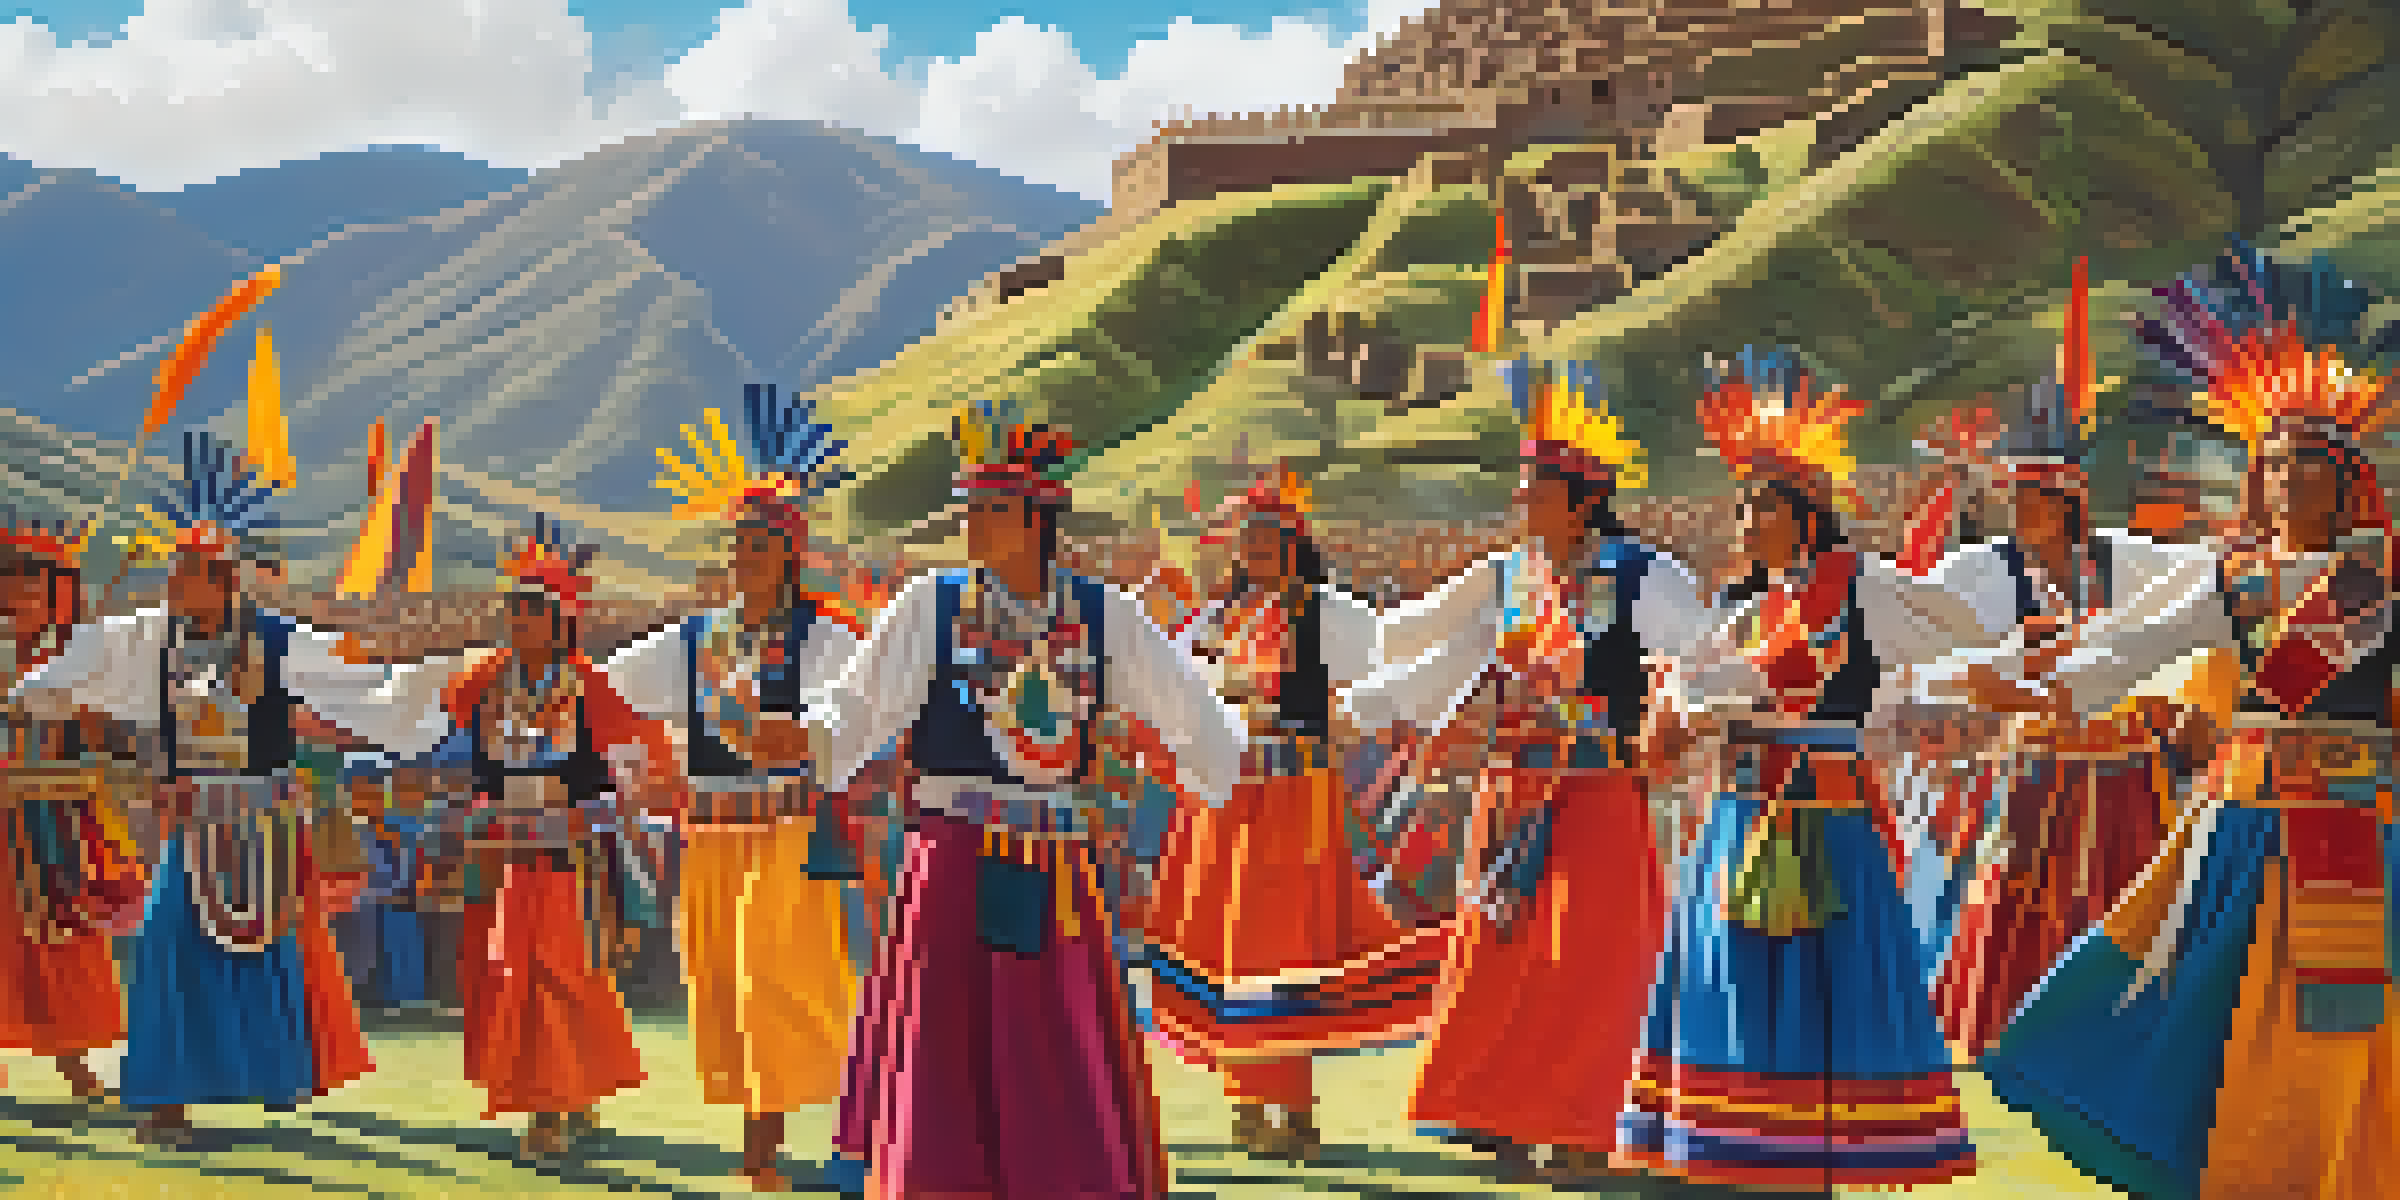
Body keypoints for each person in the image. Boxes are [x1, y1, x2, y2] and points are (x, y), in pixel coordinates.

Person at [1982, 240, 2399, 1199]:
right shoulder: (2234, 583)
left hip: (2355, 826)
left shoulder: (2379, 587)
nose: (2289, 485)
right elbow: (2135, 645)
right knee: (2206, 1001)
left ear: (2348, 483)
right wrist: (2043, 693)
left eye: (2309, 468)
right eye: (2275, 468)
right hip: (2243, 826)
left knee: (2345, 1017)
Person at [816, 400, 1245, 1199]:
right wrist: (805, 739)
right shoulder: (930, 606)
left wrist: (1228, 765)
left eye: (990, 509)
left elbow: (1186, 707)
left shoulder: (1102, 616)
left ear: (1037, 517)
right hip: (950, 855)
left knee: (1051, 1037)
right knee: (945, 1041)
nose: (971, 524)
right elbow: (858, 708)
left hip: (1054, 862)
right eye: (967, 508)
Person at [10, 435, 448, 1148]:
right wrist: (34, 692)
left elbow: (347, 680)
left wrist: (425, 687)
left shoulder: (275, 640)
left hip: (260, 827)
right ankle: (164, 1102)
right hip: (189, 827)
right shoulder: (155, 637)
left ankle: (263, 1073)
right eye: (173, 572)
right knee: (164, 942)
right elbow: (88, 654)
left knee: (263, 951)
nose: (172, 585)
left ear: (221, 581)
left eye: (185, 574)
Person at [1338, 361, 1716, 1183]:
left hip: (1598, 788)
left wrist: (1672, 721)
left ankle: (1590, 1125)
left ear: (1580, 501)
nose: (1519, 502)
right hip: (1511, 791)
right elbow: (1420, 639)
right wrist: (1343, 669)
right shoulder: (1507, 575)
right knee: (1504, 952)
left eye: (1535, 490)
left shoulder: (1641, 574)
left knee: (1594, 957)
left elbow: (1703, 655)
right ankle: (1497, 1112)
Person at [1619, 349, 1979, 1188]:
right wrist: (1674, 706)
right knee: (1738, 983)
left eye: (1763, 506)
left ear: (1807, 517)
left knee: (1823, 991)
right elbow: (1693, 695)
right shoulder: (1742, 611)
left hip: (1826, 818)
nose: (1746, 522)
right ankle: (1740, 1150)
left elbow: (1957, 627)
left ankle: (1808, 1159)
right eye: (1743, 507)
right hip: (1738, 814)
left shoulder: (1860, 591)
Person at [1905, 272, 2235, 1058]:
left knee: (2125, 895)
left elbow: (2210, 597)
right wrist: (1993, 683)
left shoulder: (2134, 560)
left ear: (2070, 501)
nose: (2021, 511)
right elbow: (1921, 655)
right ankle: (2012, 1036)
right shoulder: (1976, 571)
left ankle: (2112, 1037)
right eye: (2015, 497)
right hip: (2031, 767)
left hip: (2128, 770)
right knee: (2020, 901)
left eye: (2037, 498)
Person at [607, 383, 869, 1191]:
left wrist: (800, 734)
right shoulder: (696, 640)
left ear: (790, 552)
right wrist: (649, 764)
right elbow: (606, 689)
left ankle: (772, 1144)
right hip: (712, 835)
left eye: (758, 543)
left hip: (787, 832)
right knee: (721, 982)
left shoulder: (824, 637)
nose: (743, 556)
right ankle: (779, 1129)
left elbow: (852, 711)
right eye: (737, 543)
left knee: (776, 979)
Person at [1141, 464, 1430, 1162]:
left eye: (1268, 538)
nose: (1255, 550)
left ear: (1295, 543)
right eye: (1247, 539)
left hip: (1296, 799)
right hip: (1228, 801)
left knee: (1285, 951)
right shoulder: (1219, 616)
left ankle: (1294, 1106)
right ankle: (1247, 1099)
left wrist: (1340, 719)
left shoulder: (1329, 613)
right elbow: (1176, 684)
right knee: (1231, 944)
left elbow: (1385, 678)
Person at [429, 519, 677, 1160]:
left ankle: (549, 1109)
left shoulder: (593, 688)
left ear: (562, 619)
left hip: (571, 853)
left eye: (532, 608)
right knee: (508, 972)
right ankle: (564, 1089)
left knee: (556, 972)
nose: (518, 618)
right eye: (513, 606)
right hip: (501, 850)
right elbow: (468, 766)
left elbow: (625, 773)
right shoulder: (484, 683)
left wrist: (598, 825)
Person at [0, 517, 141, 1102]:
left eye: (34, 586)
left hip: (50, 814)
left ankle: (74, 1059)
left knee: (61, 936)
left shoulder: (72, 655)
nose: (21, 597)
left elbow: (106, 736)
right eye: (12, 583)